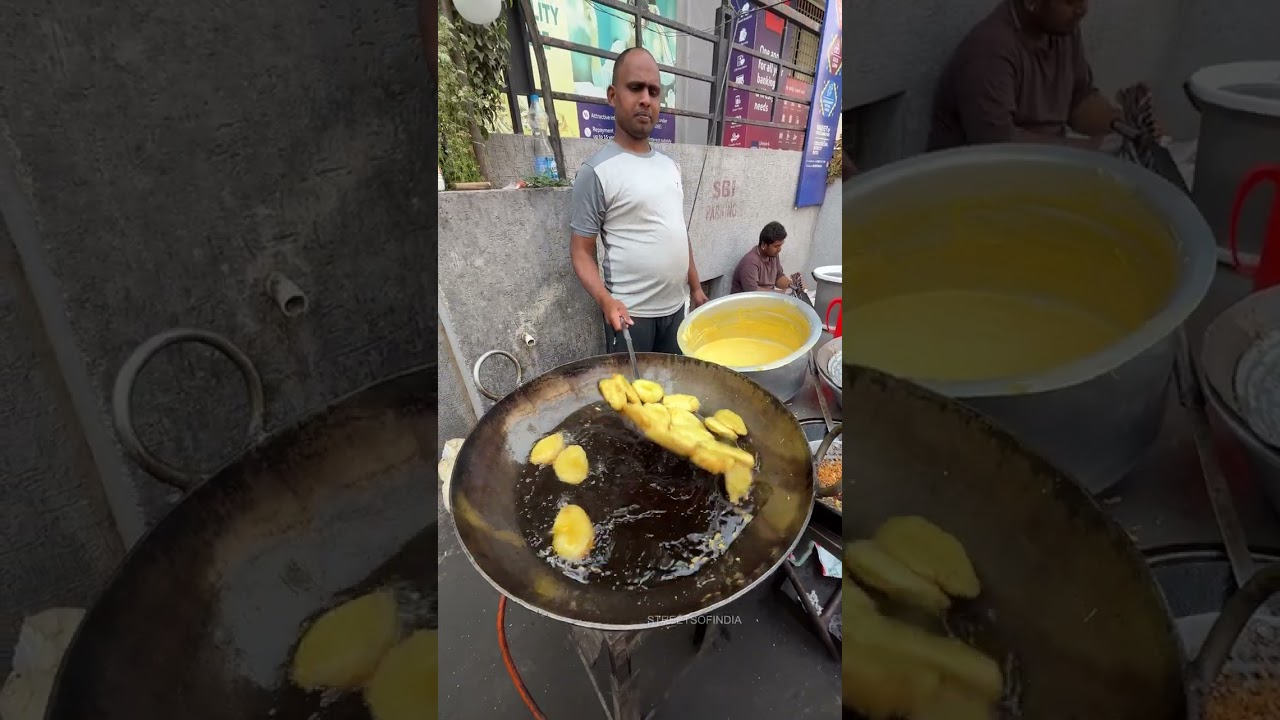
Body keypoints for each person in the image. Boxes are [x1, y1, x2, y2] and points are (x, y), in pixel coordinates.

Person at [569, 47, 708, 355]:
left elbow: (678, 233)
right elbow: (581, 251)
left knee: (672, 396)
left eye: (654, 91)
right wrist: (606, 301)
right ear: (612, 95)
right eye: (635, 88)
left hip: (676, 310)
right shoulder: (597, 171)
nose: (646, 98)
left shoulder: (670, 167)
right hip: (631, 316)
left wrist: (696, 288)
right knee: (634, 400)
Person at [927, 0, 1132, 152]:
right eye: (1069, 0)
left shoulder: (1063, 30)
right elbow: (996, 144)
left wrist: (1121, 126)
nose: (1082, 10)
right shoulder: (990, 50)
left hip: (1037, 169)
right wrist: (1089, 149)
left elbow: (1078, 99)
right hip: (975, 182)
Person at [731, 221, 794, 294]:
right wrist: (782, 293)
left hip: (767, 299)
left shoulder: (773, 255)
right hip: (747, 302)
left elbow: (778, 277)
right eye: (776, 246)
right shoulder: (750, 262)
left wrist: (791, 285)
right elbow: (752, 292)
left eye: (781, 245)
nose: (779, 249)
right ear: (764, 245)